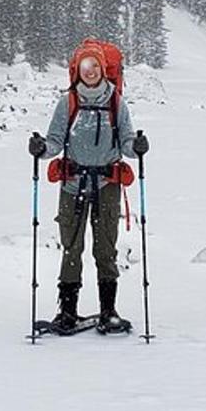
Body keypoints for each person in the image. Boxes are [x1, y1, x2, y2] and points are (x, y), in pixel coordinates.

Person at [30, 43, 140, 334]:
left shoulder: (116, 102)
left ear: (102, 69)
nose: (89, 72)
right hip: (72, 184)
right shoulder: (67, 102)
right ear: (77, 71)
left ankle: (109, 311)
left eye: (94, 67)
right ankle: (67, 312)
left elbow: (127, 142)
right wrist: (42, 149)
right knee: (71, 248)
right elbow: (55, 141)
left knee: (106, 248)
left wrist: (137, 147)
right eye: (84, 67)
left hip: (107, 183)